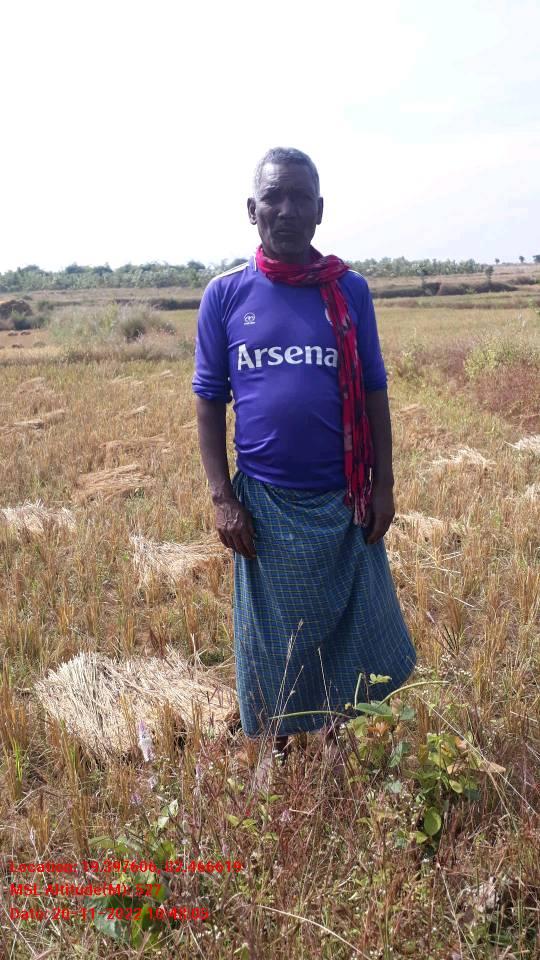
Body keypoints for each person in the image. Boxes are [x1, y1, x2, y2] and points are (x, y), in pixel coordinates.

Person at [192, 147, 416, 761]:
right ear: (252, 209)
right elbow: (209, 401)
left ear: (320, 210)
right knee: (274, 638)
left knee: (347, 627)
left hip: (345, 498)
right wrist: (223, 499)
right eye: (274, 197)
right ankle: (277, 748)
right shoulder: (226, 295)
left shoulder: (349, 291)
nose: (286, 210)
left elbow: (374, 390)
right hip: (264, 503)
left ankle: (338, 738)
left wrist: (384, 486)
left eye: (300, 198)